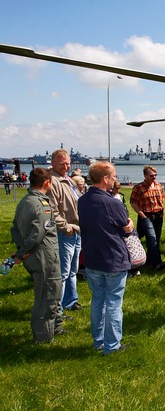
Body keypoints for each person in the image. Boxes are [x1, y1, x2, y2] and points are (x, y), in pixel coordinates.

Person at [78, 161, 134, 355]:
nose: (115, 180)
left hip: (92, 258)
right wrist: (131, 224)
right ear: (105, 179)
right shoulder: (112, 202)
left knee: (98, 301)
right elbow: (125, 229)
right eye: (114, 177)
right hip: (113, 259)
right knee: (113, 303)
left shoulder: (83, 200)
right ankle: (112, 346)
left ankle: (98, 341)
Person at [10, 168, 65, 343]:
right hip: (44, 256)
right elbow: (38, 234)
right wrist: (21, 252)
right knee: (47, 295)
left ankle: (56, 327)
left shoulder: (24, 202)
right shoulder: (42, 205)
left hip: (34, 256)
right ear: (47, 183)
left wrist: (21, 248)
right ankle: (43, 337)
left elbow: (14, 229)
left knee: (51, 292)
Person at [47, 149, 82, 312]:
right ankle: (56, 309)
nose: (66, 166)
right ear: (53, 163)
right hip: (65, 232)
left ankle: (70, 300)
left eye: (68, 163)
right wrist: (65, 226)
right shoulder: (51, 182)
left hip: (76, 230)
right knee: (62, 273)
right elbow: (50, 210)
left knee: (73, 270)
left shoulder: (67, 179)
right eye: (62, 164)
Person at [130, 165, 165, 270]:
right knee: (152, 239)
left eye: (155, 175)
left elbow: (162, 199)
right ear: (145, 175)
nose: (154, 177)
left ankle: (150, 261)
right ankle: (157, 263)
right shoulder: (138, 187)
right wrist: (142, 215)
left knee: (156, 240)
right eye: (151, 175)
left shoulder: (158, 186)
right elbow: (133, 202)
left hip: (158, 216)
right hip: (146, 216)